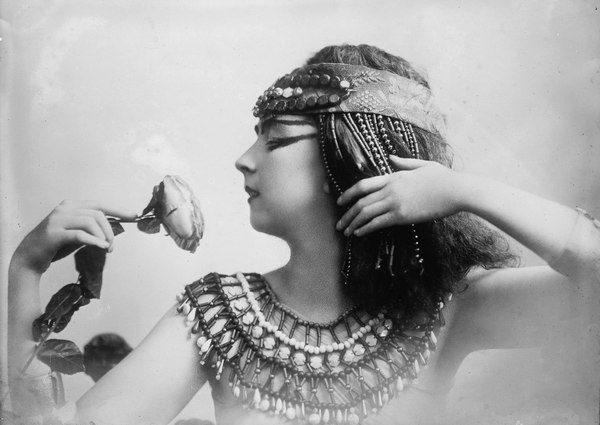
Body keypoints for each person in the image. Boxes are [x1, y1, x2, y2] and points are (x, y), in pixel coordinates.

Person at [6, 44, 599, 424]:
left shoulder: (451, 307)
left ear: (356, 158)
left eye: (277, 139)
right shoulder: (218, 315)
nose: (243, 159)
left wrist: (464, 191)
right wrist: (25, 271)